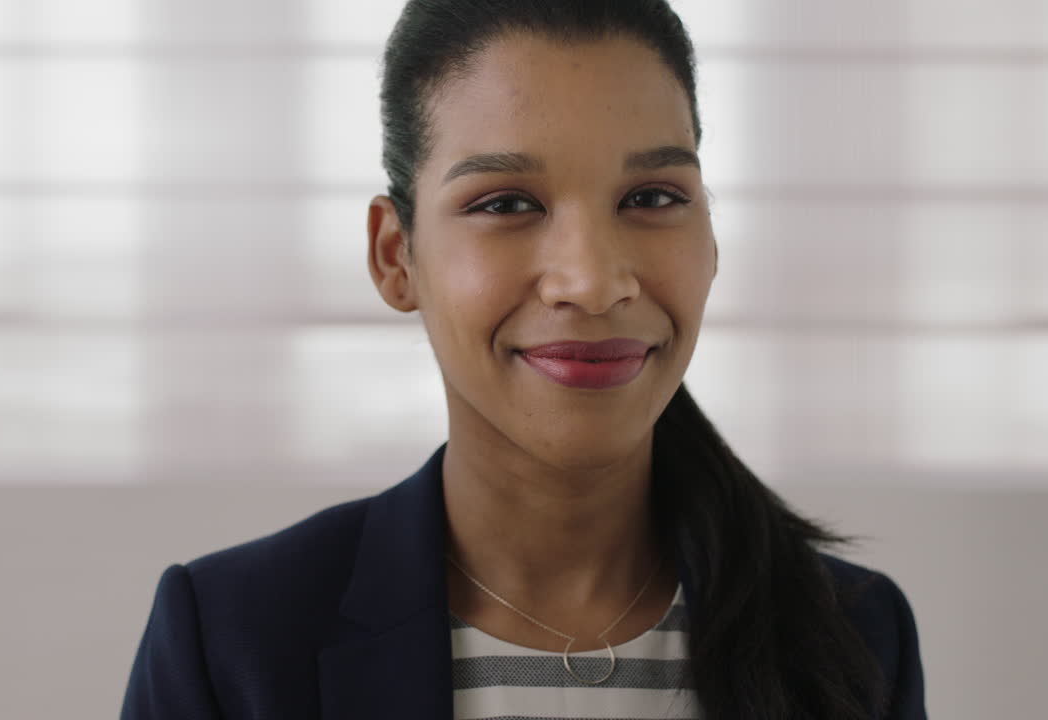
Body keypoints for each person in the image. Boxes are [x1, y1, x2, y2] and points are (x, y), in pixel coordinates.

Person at [120, 1, 926, 718]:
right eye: (506, 204)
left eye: (652, 198)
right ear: (397, 256)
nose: (593, 281)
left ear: (711, 237)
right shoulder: (233, 642)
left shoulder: (853, 634)